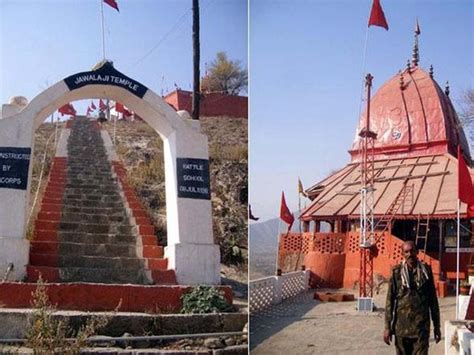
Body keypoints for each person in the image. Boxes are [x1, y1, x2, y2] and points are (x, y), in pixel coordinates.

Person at [384, 240, 441, 354]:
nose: (409, 254)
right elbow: (390, 301)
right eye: (406, 252)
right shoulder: (397, 273)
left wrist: (437, 326)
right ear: (402, 254)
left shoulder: (426, 272)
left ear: (417, 252)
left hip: (421, 329)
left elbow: (433, 300)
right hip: (401, 329)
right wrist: (387, 327)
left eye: (412, 251)